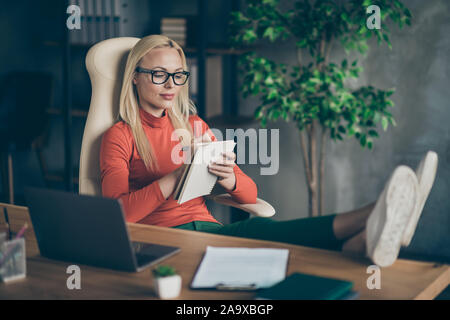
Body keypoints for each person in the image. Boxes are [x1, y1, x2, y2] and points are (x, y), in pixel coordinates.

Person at [100, 35, 438, 268]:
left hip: (205, 231)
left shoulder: (193, 125)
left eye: (177, 75)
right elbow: (114, 215)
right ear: (135, 77)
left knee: (268, 233)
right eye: (159, 75)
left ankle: (365, 240)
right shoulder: (120, 135)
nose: (171, 84)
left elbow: (251, 193)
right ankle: (376, 212)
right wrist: (175, 177)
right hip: (166, 241)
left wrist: (229, 177)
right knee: (262, 233)